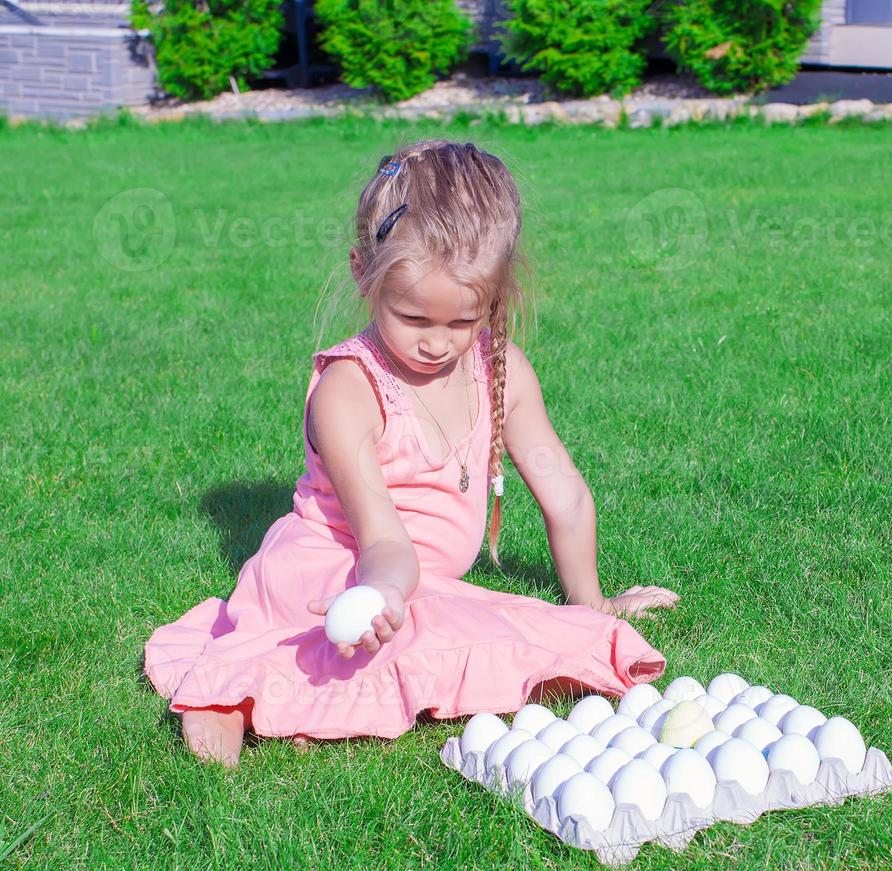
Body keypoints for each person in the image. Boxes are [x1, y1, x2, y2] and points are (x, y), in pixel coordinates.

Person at [143, 139, 678, 766]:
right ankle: (227, 691)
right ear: (362, 274)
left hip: (413, 584)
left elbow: (565, 493)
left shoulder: (499, 368)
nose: (438, 345)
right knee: (402, 636)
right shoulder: (350, 391)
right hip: (341, 571)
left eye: (463, 322)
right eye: (412, 318)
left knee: (526, 628)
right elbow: (383, 541)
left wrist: (592, 604)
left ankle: (318, 661)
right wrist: (384, 594)